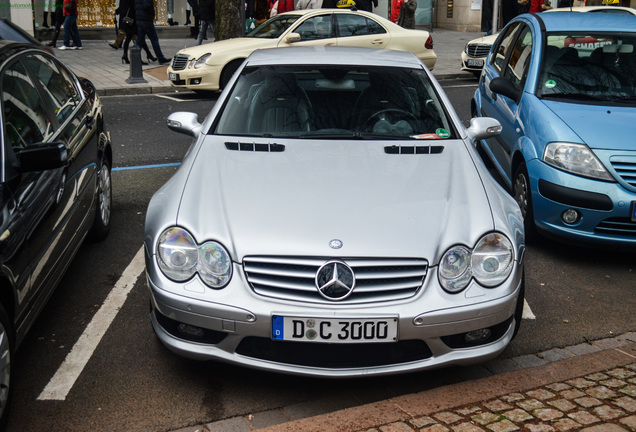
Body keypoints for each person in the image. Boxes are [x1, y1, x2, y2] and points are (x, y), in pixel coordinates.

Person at [110, 0, 157, 64]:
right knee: (139, 38)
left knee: (130, 38)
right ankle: (145, 56)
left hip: (125, 20)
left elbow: (122, 7)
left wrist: (116, 11)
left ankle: (126, 56)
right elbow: (133, 6)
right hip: (132, 20)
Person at [134, 0, 171, 64]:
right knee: (154, 39)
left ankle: (135, 58)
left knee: (140, 40)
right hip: (146, 19)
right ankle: (160, 57)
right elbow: (147, 5)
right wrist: (152, 14)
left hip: (139, 18)